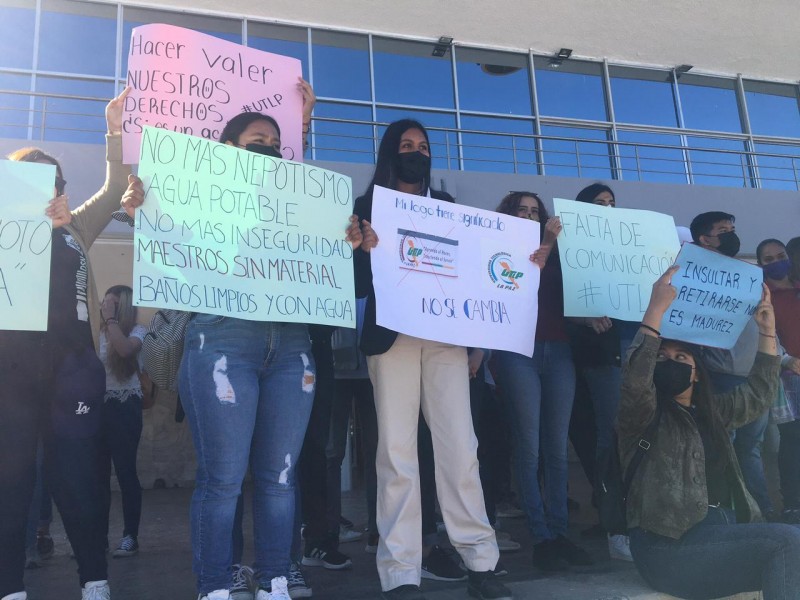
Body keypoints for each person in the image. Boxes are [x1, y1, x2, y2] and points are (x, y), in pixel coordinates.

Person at [120, 82, 361, 600]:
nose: (270, 147)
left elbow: (308, 207)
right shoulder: (201, 195)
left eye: (277, 141)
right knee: (224, 478)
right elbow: (166, 235)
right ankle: (215, 585)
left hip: (292, 344)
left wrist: (348, 240)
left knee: (280, 475)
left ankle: (274, 578)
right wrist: (143, 203)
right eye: (258, 139)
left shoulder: (298, 202)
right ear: (228, 149)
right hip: (223, 339)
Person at [354, 119, 510, 600]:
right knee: (397, 453)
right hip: (392, 340)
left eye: (423, 146)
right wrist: (360, 249)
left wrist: (478, 341)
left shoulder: (448, 209)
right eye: (406, 145)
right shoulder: (366, 208)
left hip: (446, 340)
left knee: (461, 448)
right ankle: (401, 571)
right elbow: (358, 284)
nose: (415, 152)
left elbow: (472, 280)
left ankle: (480, 563)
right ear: (389, 152)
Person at [0, 87, 132, 600]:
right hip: (11, 368)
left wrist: (115, 129)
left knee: (79, 477)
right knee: (10, 481)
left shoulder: (76, 226)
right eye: (37, 181)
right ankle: (11, 587)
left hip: (73, 366)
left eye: (57, 181)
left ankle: (94, 581)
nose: (51, 189)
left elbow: (117, 183)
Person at [619, 265, 800, 599]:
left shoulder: (713, 414)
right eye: (662, 358)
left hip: (724, 536)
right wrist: (655, 311)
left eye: (680, 356)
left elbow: (759, 393)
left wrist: (767, 331)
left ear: (698, 373)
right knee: (788, 540)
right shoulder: (643, 415)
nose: (669, 361)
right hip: (669, 547)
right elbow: (635, 379)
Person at [493, 192, 592, 571]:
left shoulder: (561, 252)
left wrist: (588, 317)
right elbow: (525, 275)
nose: (530, 215)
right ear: (509, 214)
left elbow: (567, 298)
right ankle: (541, 536)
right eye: (523, 210)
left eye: (535, 211)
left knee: (556, 448)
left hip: (559, 350)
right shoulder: (501, 245)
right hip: (518, 351)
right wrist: (548, 241)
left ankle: (560, 532)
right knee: (529, 446)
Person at [565, 183, 635, 559]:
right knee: (610, 439)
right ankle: (617, 527)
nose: (607, 208)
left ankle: (636, 518)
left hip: (635, 348)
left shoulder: (630, 248)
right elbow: (559, 305)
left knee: (637, 435)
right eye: (598, 203)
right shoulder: (572, 251)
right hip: (600, 357)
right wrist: (585, 317)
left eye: (611, 203)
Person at [690, 211, 774, 518]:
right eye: (723, 230)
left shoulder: (747, 272)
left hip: (754, 374)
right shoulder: (692, 273)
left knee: (751, 450)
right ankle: (730, 514)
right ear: (704, 238)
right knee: (725, 449)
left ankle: (759, 512)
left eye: (733, 229)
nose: (731, 234)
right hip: (721, 375)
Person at [97, 285, 146, 558]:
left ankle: (130, 535)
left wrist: (112, 321)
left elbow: (125, 351)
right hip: (98, 405)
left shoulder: (137, 331)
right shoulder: (99, 331)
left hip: (125, 404)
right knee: (98, 475)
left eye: (112, 304)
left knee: (126, 471)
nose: (106, 307)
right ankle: (98, 536)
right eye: (105, 303)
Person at [757, 238, 800, 522]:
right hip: (787, 377)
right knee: (792, 441)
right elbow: (764, 334)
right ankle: (793, 505)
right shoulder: (762, 296)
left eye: (780, 255)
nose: (776, 262)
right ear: (760, 265)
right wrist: (787, 360)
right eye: (768, 259)